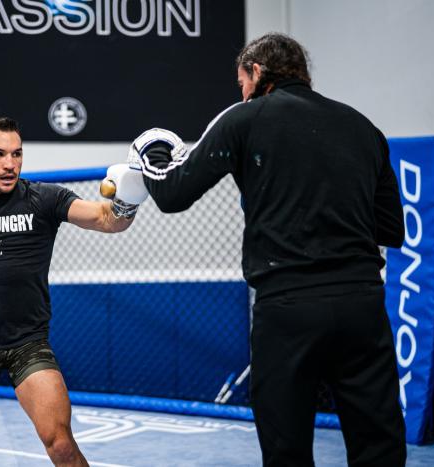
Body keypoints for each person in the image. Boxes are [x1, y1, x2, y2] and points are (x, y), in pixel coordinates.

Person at [127, 33, 407, 466]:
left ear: (257, 73)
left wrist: (151, 156)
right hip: (362, 305)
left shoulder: (245, 118)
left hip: (288, 306)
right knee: (379, 445)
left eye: (241, 80)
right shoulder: (362, 126)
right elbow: (392, 229)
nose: (240, 90)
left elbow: (173, 195)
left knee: (286, 446)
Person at [0, 117, 147, 467]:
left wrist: (129, 196)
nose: (10, 164)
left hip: (28, 346)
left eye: (17, 154)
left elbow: (108, 219)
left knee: (61, 445)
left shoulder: (43, 199)